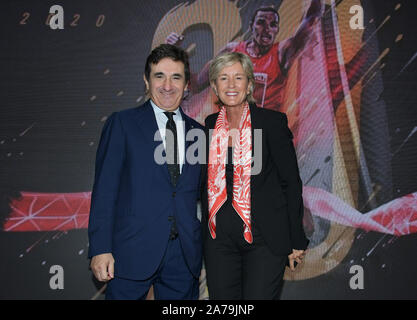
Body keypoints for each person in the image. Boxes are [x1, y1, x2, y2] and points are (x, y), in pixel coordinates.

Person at [88, 44, 204, 300]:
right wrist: (100, 248)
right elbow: (105, 191)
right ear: (146, 80)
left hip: (183, 258)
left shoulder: (200, 133)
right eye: (159, 76)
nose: (167, 85)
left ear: (187, 85)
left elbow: (208, 193)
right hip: (130, 251)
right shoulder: (123, 123)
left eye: (176, 77)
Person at [200, 51, 309, 300]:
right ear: (214, 86)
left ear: (249, 84)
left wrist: (296, 240)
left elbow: (290, 183)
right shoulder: (207, 126)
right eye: (223, 78)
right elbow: (202, 184)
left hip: (264, 240)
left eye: (238, 77)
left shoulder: (272, 123)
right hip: (219, 243)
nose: (231, 85)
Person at [166, 0, 322, 111]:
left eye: (273, 25)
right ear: (252, 26)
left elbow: (311, 19)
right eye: (261, 23)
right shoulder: (231, 52)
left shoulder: (282, 52)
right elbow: (197, 84)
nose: (267, 29)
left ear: (277, 30)